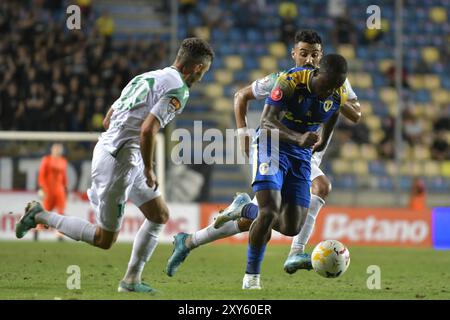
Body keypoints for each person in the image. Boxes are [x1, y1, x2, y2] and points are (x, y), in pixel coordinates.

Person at [15, 38, 214, 293]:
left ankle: (131, 280)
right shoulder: (179, 90)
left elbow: (108, 119)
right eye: (203, 72)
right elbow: (147, 131)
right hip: (121, 161)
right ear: (196, 68)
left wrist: (129, 146)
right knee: (104, 239)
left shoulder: (146, 77)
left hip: (117, 152)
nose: (201, 78)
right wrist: (148, 168)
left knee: (159, 215)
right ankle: (40, 215)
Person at [165, 30, 360, 278]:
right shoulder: (282, 80)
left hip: (304, 154)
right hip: (278, 148)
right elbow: (241, 96)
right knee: (320, 187)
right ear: (294, 54)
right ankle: (295, 252)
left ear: (322, 59)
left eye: (315, 55)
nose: (309, 59)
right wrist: (243, 134)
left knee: (257, 220)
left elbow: (356, 113)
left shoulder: (337, 82)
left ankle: (190, 240)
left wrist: (334, 92)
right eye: (304, 54)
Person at [238, 54, 349, 289]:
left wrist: (323, 140)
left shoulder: (337, 93)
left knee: (292, 227)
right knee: (269, 212)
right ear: (317, 73)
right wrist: (298, 137)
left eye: (335, 87)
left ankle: (245, 208)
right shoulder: (290, 82)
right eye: (327, 85)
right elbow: (267, 122)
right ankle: (251, 278)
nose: (329, 92)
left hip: (300, 156)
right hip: (272, 146)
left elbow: (335, 112)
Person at [36, 143, 68, 240]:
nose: (57, 150)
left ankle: (60, 234)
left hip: (60, 190)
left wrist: (66, 188)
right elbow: (41, 175)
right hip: (48, 190)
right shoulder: (47, 159)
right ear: (52, 149)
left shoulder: (63, 161)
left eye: (59, 149)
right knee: (45, 213)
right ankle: (37, 231)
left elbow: (64, 177)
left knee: (61, 212)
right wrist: (42, 188)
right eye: (56, 149)